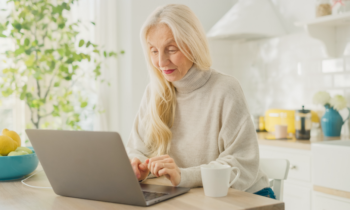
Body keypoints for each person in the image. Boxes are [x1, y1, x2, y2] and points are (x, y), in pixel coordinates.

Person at [126, 4, 275, 199]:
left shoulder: (225, 89)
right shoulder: (154, 93)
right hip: (195, 197)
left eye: (171, 49)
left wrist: (184, 175)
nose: (161, 62)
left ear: (193, 44)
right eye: (154, 51)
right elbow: (136, 149)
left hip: (246, 197)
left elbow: (242, 164)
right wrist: (140, 166)